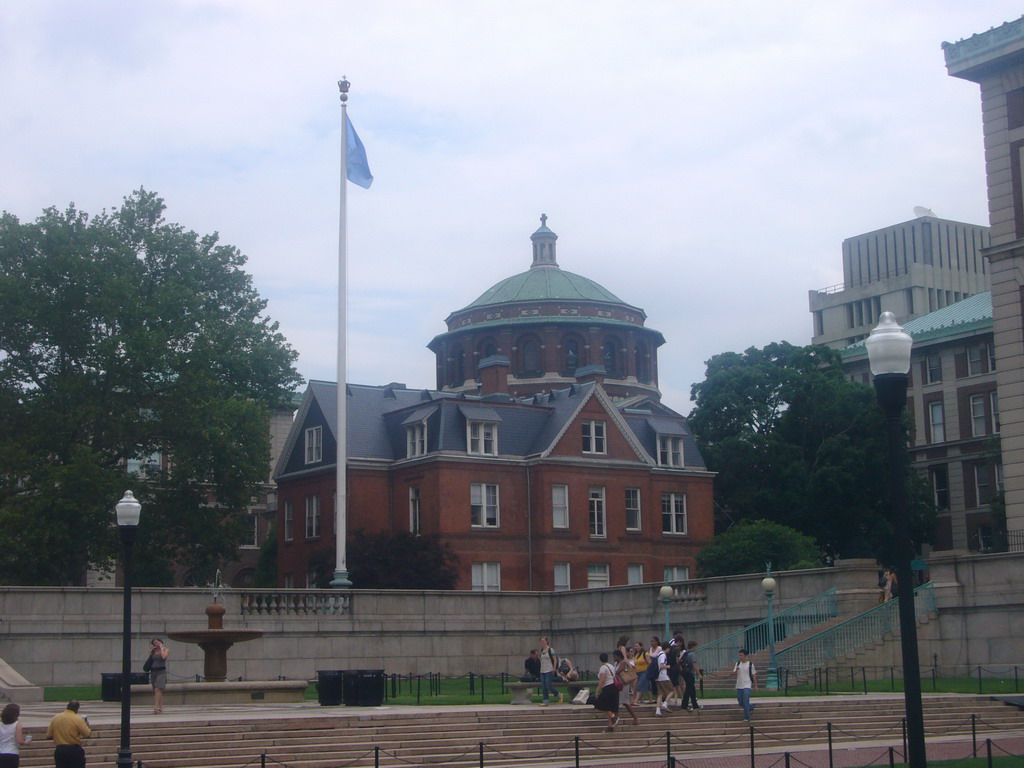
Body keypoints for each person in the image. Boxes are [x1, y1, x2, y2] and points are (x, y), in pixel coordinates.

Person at [46, 700, 91, 768]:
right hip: (74, 750)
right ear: (77, 709)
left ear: (67, 706)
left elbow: (48, 736)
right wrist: (87, 725)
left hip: (60, 750)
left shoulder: (55, 718)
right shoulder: (77, 719)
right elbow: (87, 734)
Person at [613, 649, 640, 726]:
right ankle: (617, 718)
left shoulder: (623, 662)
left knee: (624, 702)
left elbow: (618, 671)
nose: (614, 658)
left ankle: (634, 718)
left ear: (618, 656)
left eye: (615, 656)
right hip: (618, 684)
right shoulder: (615, 663)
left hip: (623, 685)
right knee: (620, 702)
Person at [594, 652, 620, 731]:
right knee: (611, 706)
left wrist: (597, 691)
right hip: (614, 687)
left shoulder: (603, 668)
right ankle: (610, 725)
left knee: (600, 704)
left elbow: (602, 680)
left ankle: (613, 717)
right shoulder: (611, 666)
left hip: (607, 688)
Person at [0, 703, 31, 768]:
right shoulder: (17, 725)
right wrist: (26, 742)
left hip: (1, 752)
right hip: (12, 752)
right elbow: (19, 740)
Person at [650, 637, 674, 716]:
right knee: (671, 690)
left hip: (657, 677)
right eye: (669, 649)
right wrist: (668, 666)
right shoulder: (663, 655)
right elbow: (661, 666)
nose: (669, 650)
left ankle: (658, 710)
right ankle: (664, 704)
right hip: (663, 676)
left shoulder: (658, 654)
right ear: (667, 648)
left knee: (660, 694)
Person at [147, 637, 170, 713]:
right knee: (157, 690)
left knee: (158, 689)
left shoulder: (165, 650)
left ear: (160, 642)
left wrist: (161, 648)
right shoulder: (153, 651)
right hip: (153, 671)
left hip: (161, 671)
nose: (155, 644)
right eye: (154, 643)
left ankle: (156, 706)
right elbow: (150, 659)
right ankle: (161, 707)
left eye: (157, 642)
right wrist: (151, 650)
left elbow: (164, 657)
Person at [732, 649, 757, 721]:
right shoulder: (738, 664)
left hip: (747, 684)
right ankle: (751, 707)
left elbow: (754, 675)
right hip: (739, 685)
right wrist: (736, 670)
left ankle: (747, 717)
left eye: (741, 655)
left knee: (745, 701)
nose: (740, 657)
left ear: (745, 656)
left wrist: (755, 685)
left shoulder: (750, 664)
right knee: (741, 702)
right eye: (739, 655)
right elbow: (734, 674)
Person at [680, 640, 701, 711]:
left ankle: (695, 705)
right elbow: (694, 664)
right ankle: (684, 705)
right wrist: (699, 674)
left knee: (692, 689)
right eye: (696, 646)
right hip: (690, 674)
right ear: (693, 646)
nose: (696, 648)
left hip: (685, 673)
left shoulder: (685, 653)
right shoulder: (692, 654)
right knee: (688, 689)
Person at [538, 636, 559, 706]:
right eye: (541, 641)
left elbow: (555, 659)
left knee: (548, 686)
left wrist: (554, 668)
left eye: (543, 641)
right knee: (543, 687)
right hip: (542, 670)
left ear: (547, 641)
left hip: (549, 670)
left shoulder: (550, 650)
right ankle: (546, 701)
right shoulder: (542, 650)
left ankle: (558, 694)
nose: (542, 643)